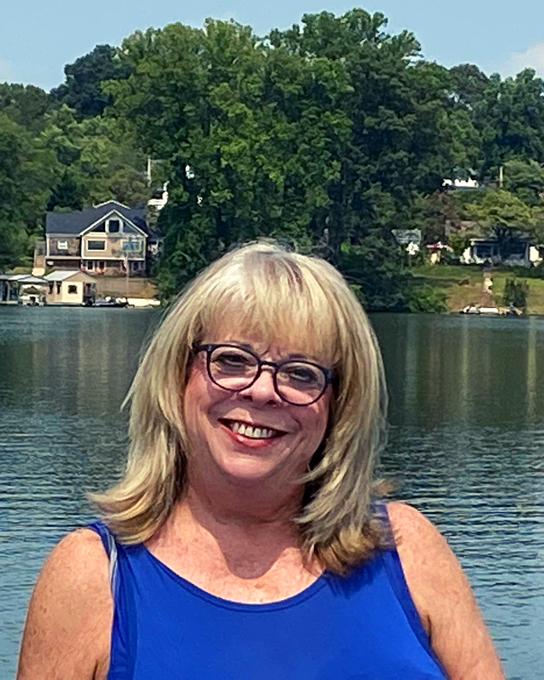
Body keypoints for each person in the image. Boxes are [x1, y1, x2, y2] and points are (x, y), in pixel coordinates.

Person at [17, 240, 504, 679]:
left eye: (300, 373)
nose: (263, 391)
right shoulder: (94, 574)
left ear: (339, 404)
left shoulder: (406, 549)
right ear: (178, 375)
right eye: (231, 361)